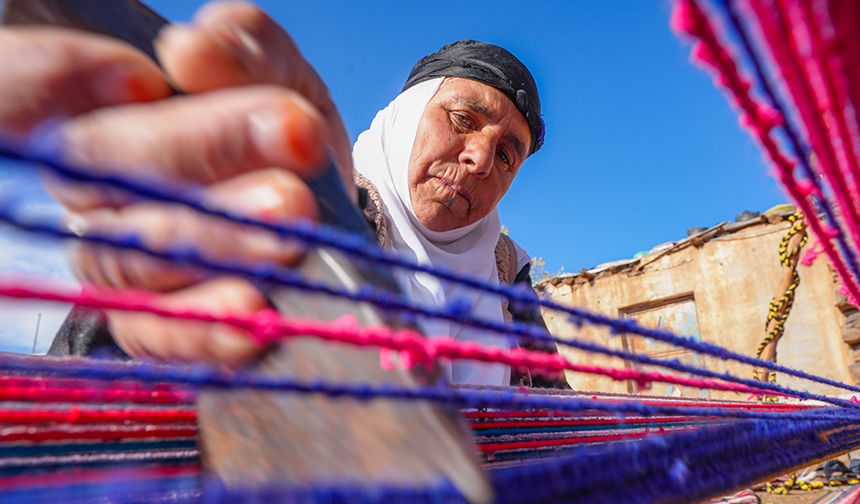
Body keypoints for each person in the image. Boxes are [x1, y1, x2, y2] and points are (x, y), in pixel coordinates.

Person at [0, 1, 567, 388]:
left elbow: (562, 423)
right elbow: (85, 384)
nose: (478, 159)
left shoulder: (506, 282)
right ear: (406, 118)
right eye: (463, 119)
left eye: (507, 155)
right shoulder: (298, 207)